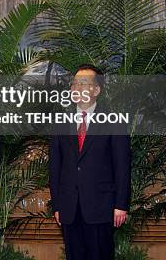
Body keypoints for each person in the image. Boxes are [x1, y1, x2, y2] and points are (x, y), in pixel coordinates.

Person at [49, 64, 132, 260]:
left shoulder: (114, 121)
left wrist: (121, 204)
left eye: (84, 83)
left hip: (101, 207)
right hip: (69, 208)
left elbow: (122, 166)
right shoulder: (60, 122)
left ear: (96, 90)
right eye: (75, 84)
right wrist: (57, 205)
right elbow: (55, 167)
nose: (77, 88)